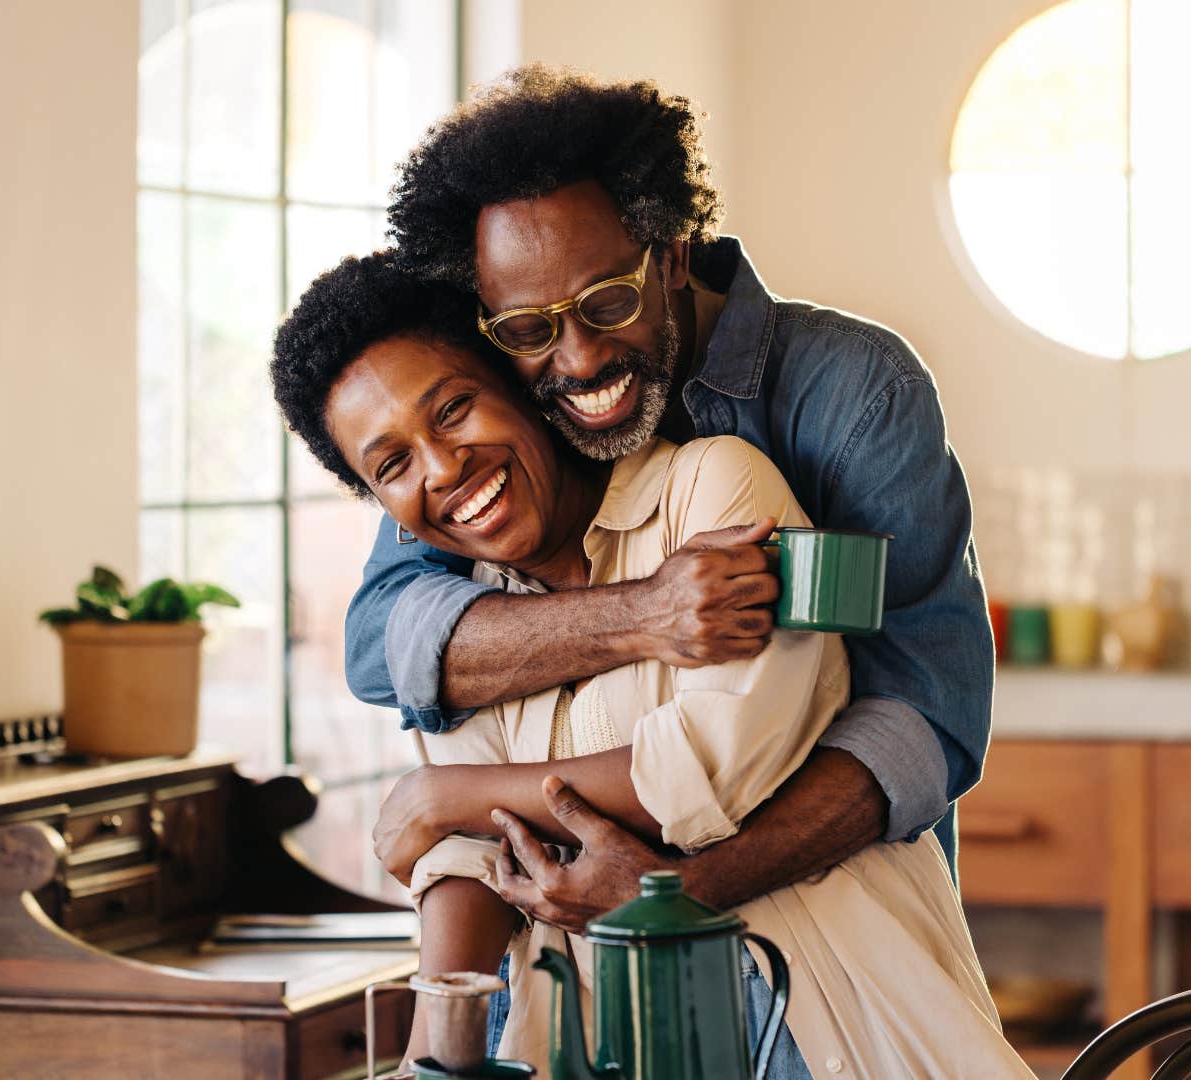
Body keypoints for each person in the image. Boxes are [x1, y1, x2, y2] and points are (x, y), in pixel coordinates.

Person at [271, 253, 1030, 1079]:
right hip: (596, 1037)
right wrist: (432, 1058)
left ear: (516, 381)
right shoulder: (463, 607)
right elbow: (465, 856)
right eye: (391, 465)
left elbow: (703, 768)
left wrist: (446, 794)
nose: (443, 467)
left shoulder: (720, 486)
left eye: (454, 409)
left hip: (813, 1009)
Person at [351, 64, 993, 947]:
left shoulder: (853, 393)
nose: (577, 361)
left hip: (830, 966)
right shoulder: (494, 417)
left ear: (676, 252)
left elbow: (926, 717)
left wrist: (678, 893)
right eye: (531, 327)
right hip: (572, 975)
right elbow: (384, 645)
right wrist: (645, 615)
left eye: (609, 302)